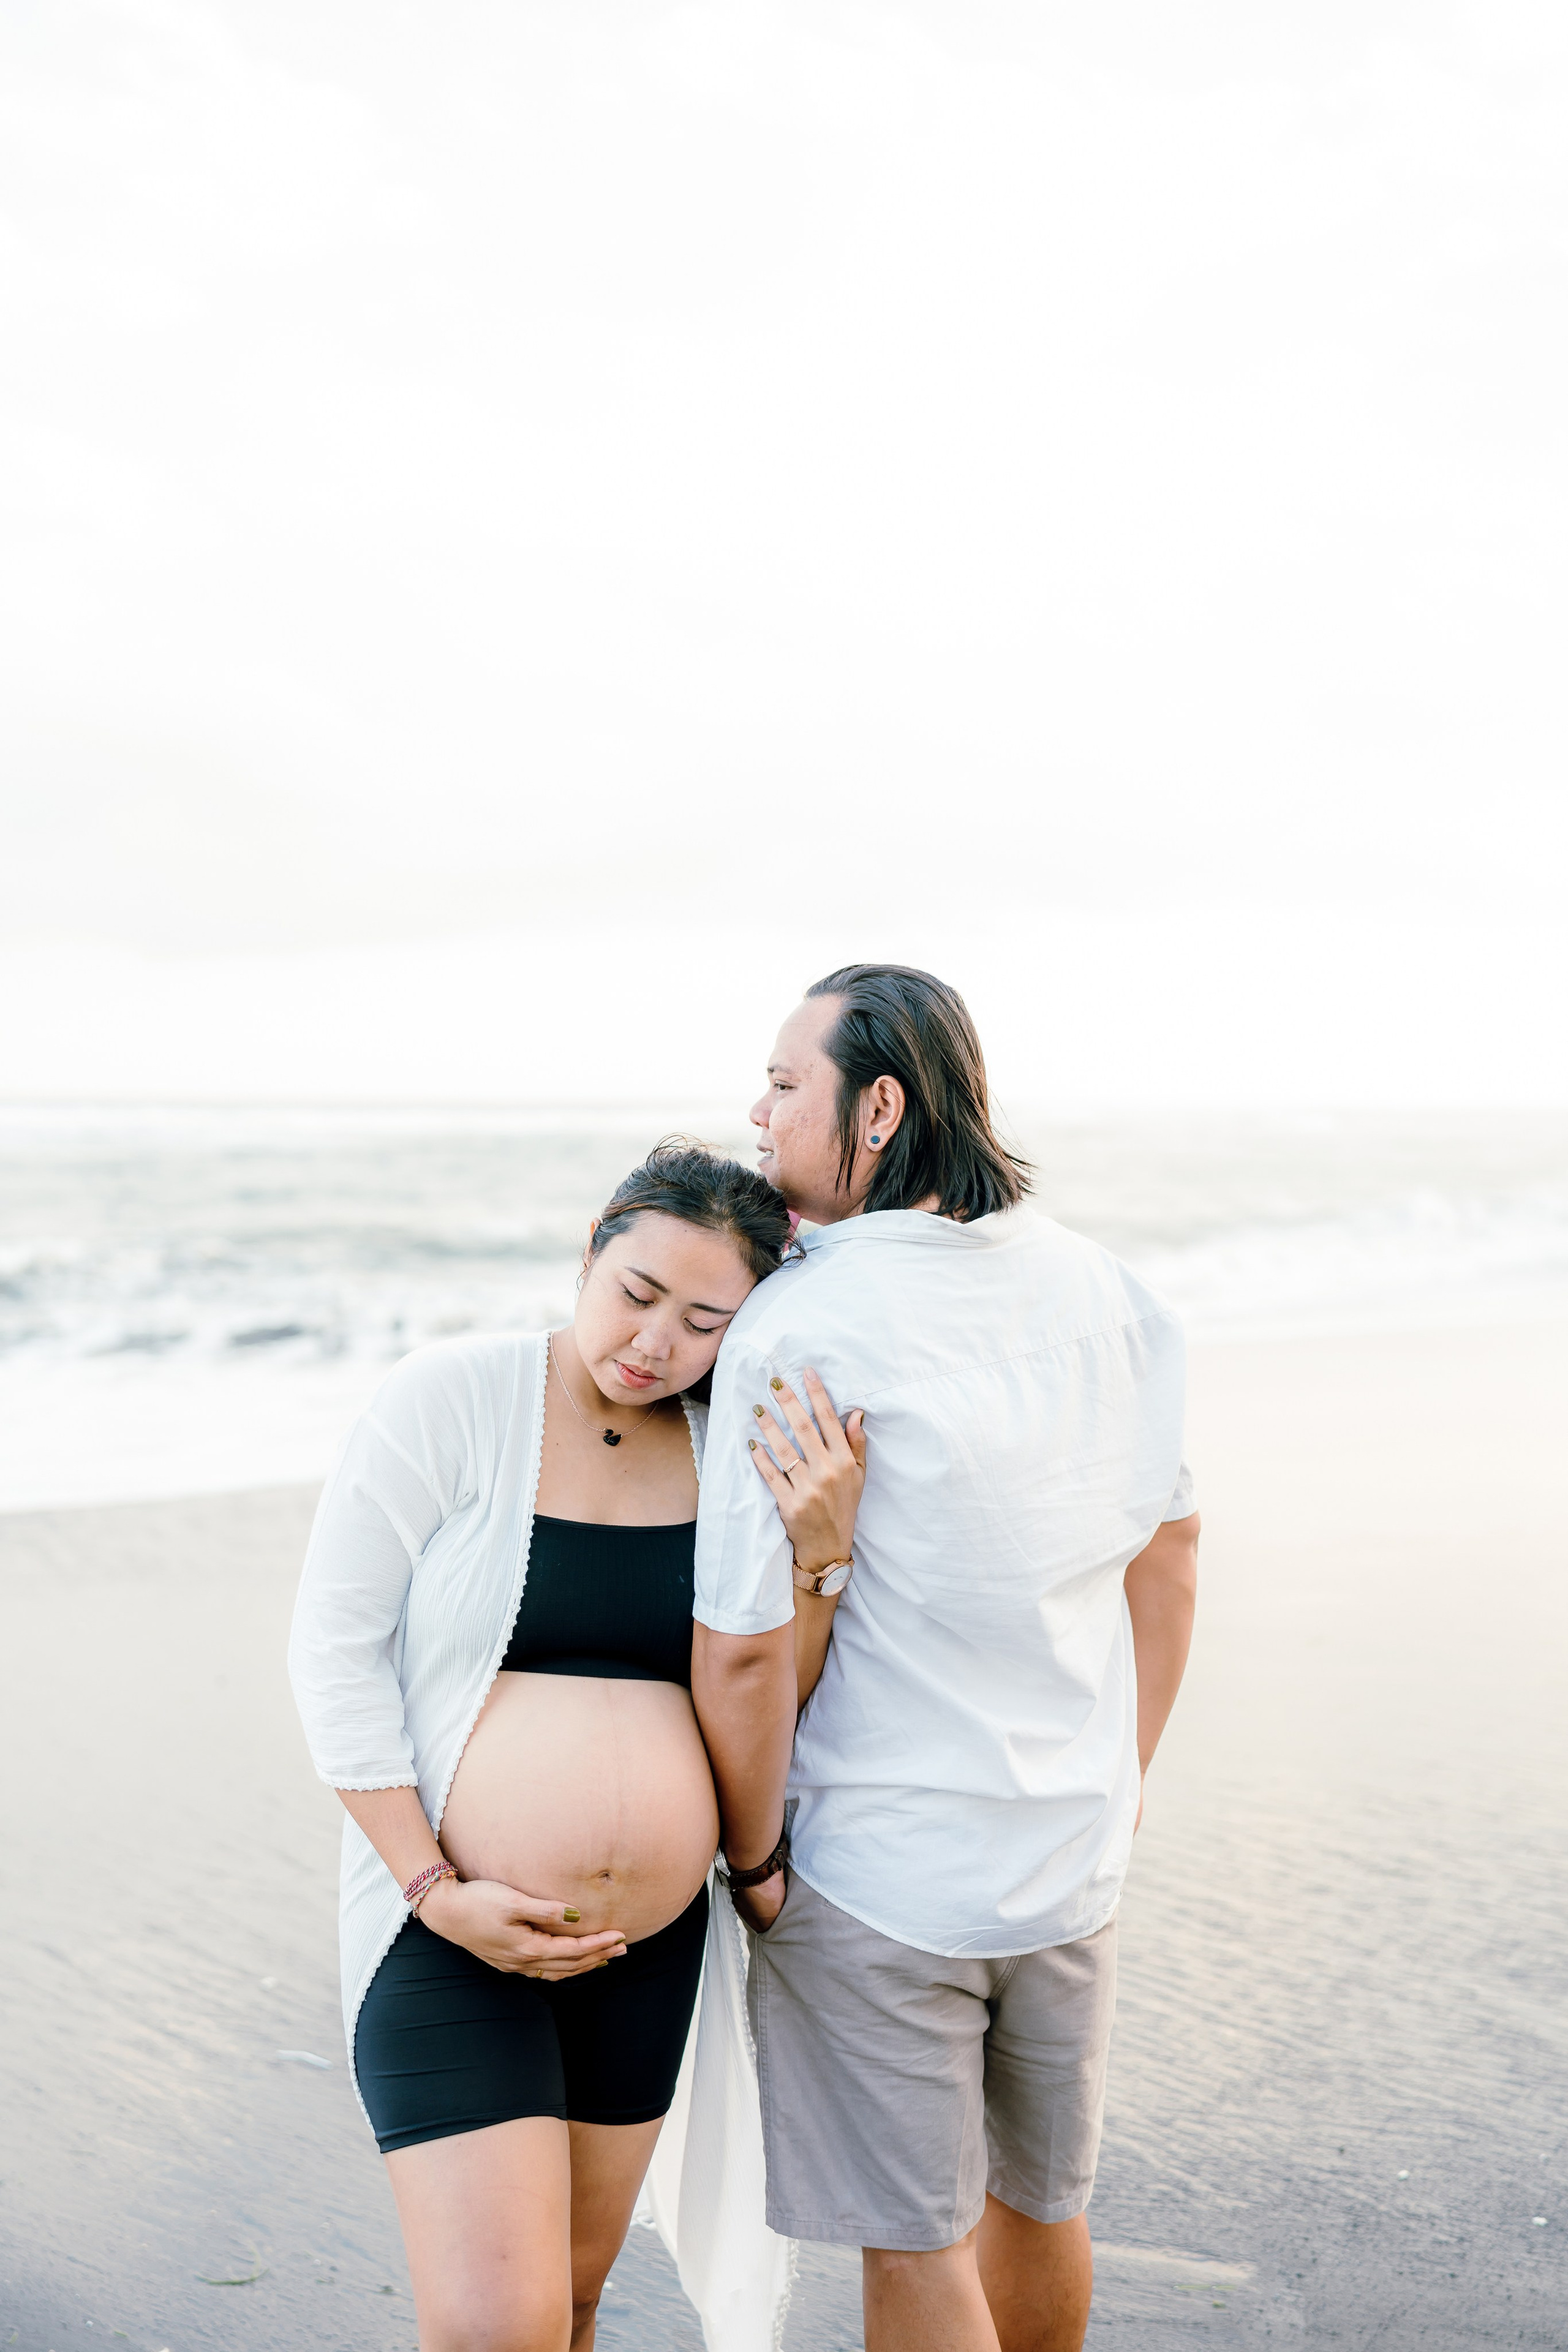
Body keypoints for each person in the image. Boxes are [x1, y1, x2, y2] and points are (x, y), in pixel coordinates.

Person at [690, 966, 1200, 2352]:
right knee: (1038, 2204)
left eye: (782, 1083)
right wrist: (1126, 1778)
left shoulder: (803, 1325)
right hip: (1069, 1850)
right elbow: (1167, 1557)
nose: (756, 1111)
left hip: (882, 1871)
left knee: (914, 2245)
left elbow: (743, 1655)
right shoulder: (1105, 1286)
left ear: (877, 1109)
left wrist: (752, 1861)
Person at [287, 1140, 866, 2352]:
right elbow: (333, 1656)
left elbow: (770, 1693)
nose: (654, 1344)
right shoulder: (451, 1398)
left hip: (646, 1953)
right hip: (449, 1932)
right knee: (499, 2328)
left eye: (704, 1323)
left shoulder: (725, 1447)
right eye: (636, 1294)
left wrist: (821, 1554)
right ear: (590, 1251)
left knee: (574, 2303)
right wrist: (432, 1888)